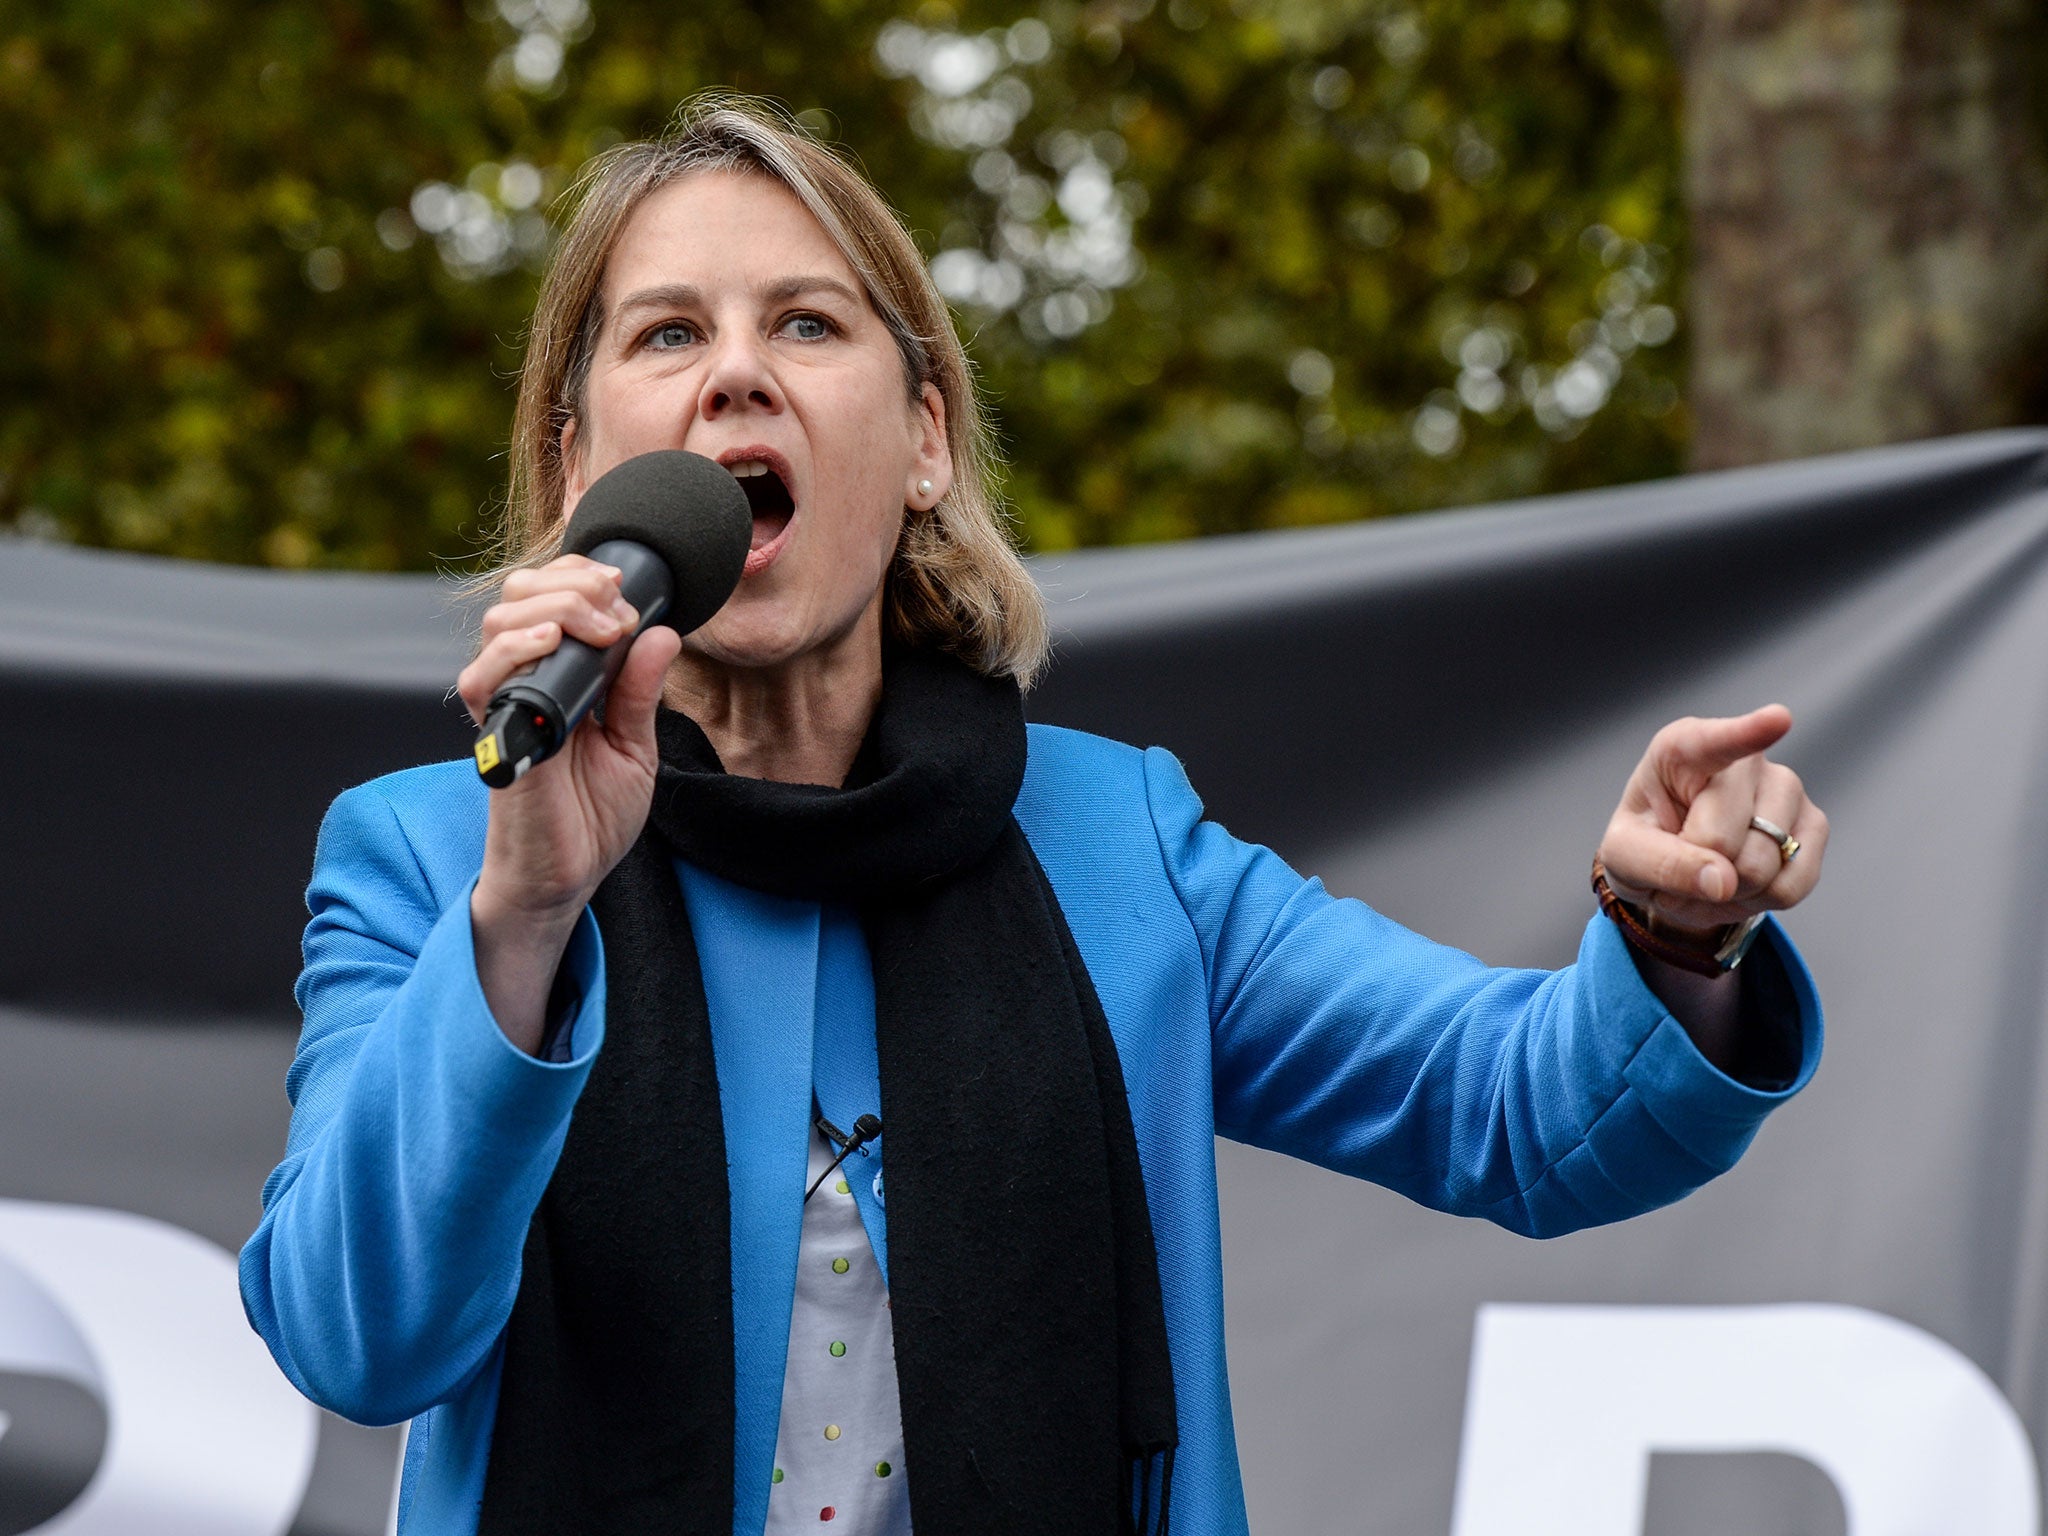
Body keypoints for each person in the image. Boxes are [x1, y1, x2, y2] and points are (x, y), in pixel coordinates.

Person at [239, 97, 1828, 1536]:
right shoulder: (434, 856)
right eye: (665, 335)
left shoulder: (1113, 839)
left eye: (807, 319)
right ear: (579, 460)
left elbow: (1522, 1116)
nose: (736, 370)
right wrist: (521, 919)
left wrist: (1676, 932)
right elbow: (355, 1342)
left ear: (925, 440)